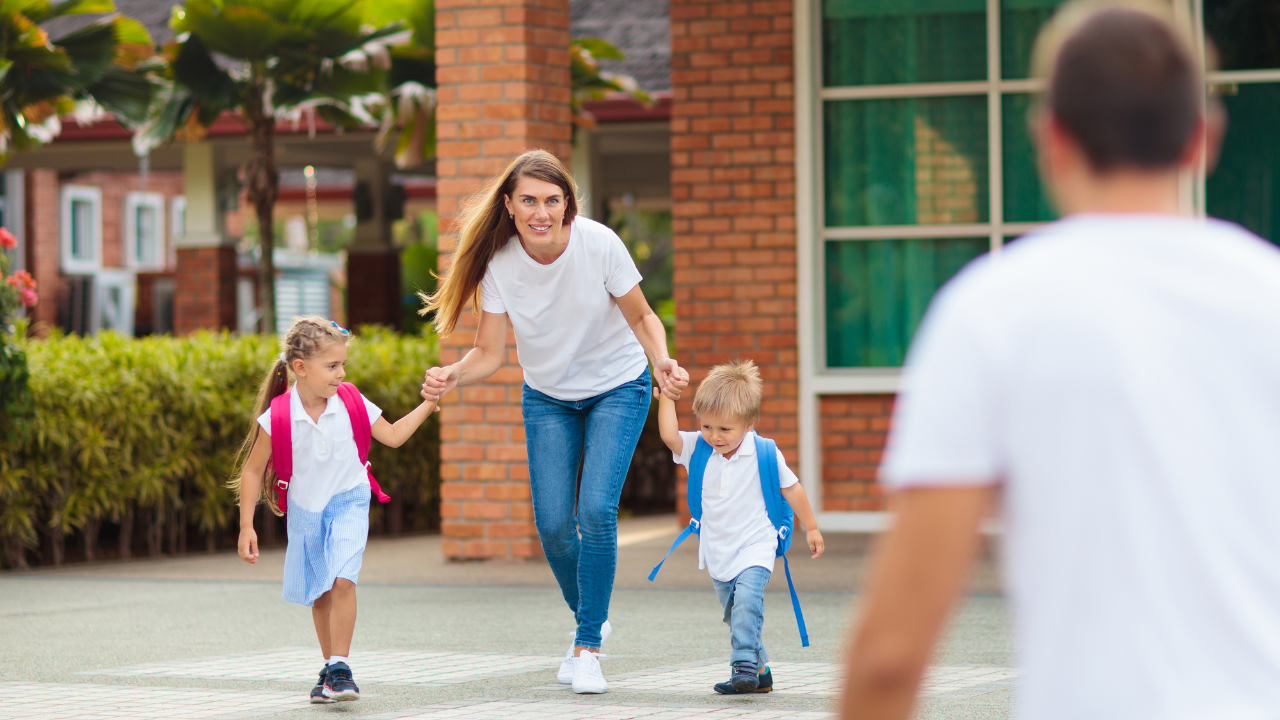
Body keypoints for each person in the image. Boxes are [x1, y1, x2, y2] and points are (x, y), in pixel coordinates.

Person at [838, 3, 1280, 719]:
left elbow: (891, 655)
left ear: (1051, 140)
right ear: (1202, 139)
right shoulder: (1271, 298)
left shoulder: (988, 312)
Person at [419, 150, 681, 694]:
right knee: (555, 525)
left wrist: (661, 360)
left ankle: (588, 645)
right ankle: (592, 614)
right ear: (510, 206)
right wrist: (452, 375)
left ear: (568, 204)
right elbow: (488, 353)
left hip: (618, 386)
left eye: (552, 200)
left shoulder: (599, 243)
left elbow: (641, 315)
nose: (542, 212)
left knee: (595, 511)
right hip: (548, 397)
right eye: (530, 201)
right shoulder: (500, 265)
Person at [232, 316, 438, 704]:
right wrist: (246, 526)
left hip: (350, 499)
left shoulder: (351, 401)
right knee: (321, 593)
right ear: (300, 368)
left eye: (343, 364)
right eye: (332, 366)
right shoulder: (278, 416)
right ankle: (329, 669)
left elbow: (392, 436)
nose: (341, 373)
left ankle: (341, 667)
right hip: (305, 510)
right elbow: (253, 470)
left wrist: (429, 404)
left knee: (343, 579)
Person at [655, 359, 824, 695]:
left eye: (724, 429)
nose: (714, 436)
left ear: (749, 424)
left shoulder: (764, 452)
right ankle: (760, 671)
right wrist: (666, 397)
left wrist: (812, 527)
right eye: (706, 427)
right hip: (717, 549)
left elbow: (792, 488)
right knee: (735, 614)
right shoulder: (699, 449)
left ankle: (742, 665)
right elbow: (669, 436)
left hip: (756, 544)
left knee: (748, 599)